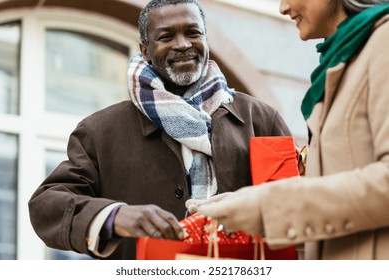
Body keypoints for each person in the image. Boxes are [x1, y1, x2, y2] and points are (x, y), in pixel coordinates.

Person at [28, 0, 292, 260]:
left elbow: (292, 205)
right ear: (145, 50)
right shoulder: (99, 131)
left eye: (193, 33)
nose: (183, 44)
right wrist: (115, 216)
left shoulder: (260, 119)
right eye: (166, 36)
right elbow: (46, 205)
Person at [187, 0, 389, 260]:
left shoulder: (383, 43)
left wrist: (267, 206)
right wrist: (245, 203)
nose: (282, 7)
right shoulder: (345, 56)